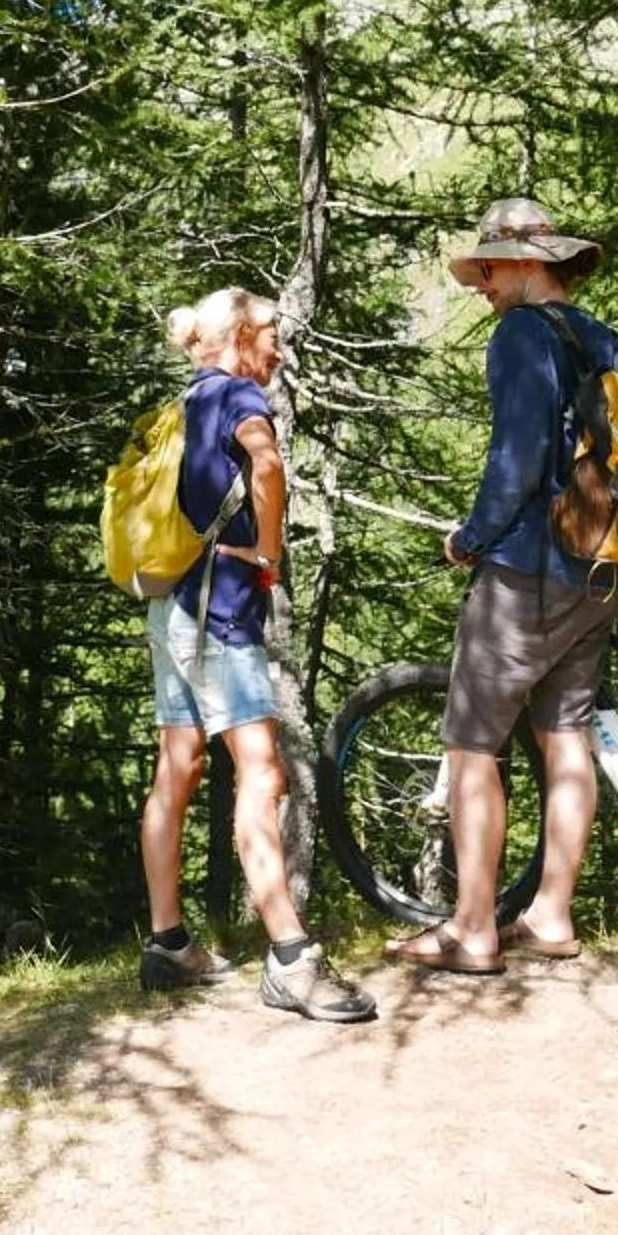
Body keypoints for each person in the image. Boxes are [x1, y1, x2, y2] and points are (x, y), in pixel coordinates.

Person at [385, 199, 618, 975]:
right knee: (566, 737)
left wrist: (472, 536)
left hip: (529, 568)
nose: (481, 284)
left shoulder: (524, 333)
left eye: (489, 268)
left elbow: (518, 459)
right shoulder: (605, 338)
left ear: (530, 263)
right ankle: (552, 914)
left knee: (471, 748)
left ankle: (471, 928)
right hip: (603, 564)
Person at [136, 287, 376, 1023]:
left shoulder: (185, 400)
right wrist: (269, 550)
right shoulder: (240, 394)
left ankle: (168, 942)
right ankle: (291, 959)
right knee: (262, 770)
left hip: (169, 606)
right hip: (220, 616)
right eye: (270, 332)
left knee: (177, 764)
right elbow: (266, 468)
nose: (278, 347)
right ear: (239, 336)